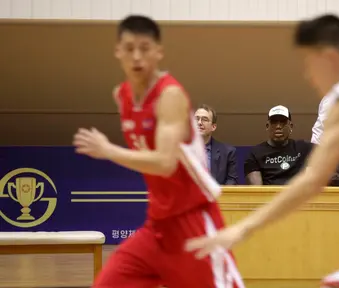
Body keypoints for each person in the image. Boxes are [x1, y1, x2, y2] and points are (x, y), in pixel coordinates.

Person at [185, 14, 339, 288]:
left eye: (308, 63)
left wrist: (244, 227)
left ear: (328, 58)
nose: (307, 75)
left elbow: (311, 181)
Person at [73, 15, 244, 288]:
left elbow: (165, 163)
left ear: (159, 52)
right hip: (158, 225)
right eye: (129, 48)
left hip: (194, 222)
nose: (137, 57)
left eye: (144, 48)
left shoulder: (169, 96)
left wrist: (108, 150)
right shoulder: (122, 95)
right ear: (118, 52)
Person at [245, 105, 313, 185]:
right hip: (269, 196)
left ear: (291, 126)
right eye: (274, 122)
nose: (278, 126)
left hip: (298, 195)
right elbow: (257, 191)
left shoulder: (304, 148)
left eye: (283, 122)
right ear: (267, 126)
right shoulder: (255, 153)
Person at [195, 104, 239, 185]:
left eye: (204, 119)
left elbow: (232, 182)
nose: (199, 122)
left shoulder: (228, 152)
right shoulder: (181, 150)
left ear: (213, 127)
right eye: (196, 119)